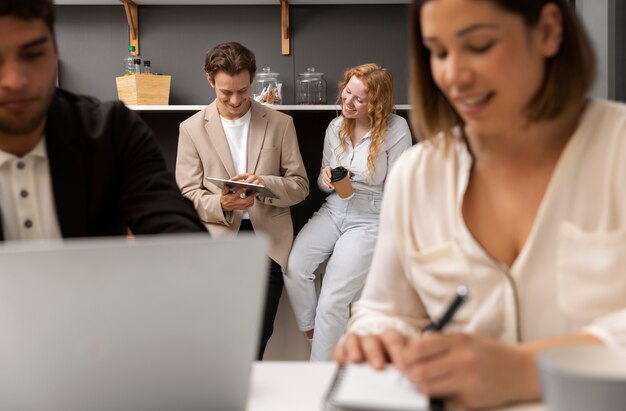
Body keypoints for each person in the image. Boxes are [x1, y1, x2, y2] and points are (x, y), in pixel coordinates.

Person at [335, 0, 626, 408]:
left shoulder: (618, 151)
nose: (454, 75)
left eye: (480, 45)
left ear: (546, 30)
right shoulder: (418, 174)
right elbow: (385, 311)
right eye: (438, 52)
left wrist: (526, 369)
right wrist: (378, 338)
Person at [0, 0, 205, 241]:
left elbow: (175, 229)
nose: (15, 81)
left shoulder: (113, 132)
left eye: (33, 54)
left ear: (55, 51)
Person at [175, 42, 309, 360]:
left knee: (255, 337)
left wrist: (265, 184)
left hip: (267, 244)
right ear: (210, 81)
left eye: (243, 91)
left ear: (252, 80)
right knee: (218, 336)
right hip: (216, 243)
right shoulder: (191, 129)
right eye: (226, 93)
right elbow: (187, 194)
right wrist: (222, 205)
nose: (236, 100)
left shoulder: (280, 123)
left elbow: (301, 185)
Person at [284, 63, 413, 361]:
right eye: (347, 92)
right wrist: (327, 179)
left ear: (377, 104)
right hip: (334, 208)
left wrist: (358, 177)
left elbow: (400, 188)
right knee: (295, 266)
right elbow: (321, 181)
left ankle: (319, 382)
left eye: (359, 99)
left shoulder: (396, 129)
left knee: (332, 300)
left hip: (370, 216)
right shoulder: (335, 127)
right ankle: (314, 333)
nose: (348, 102)